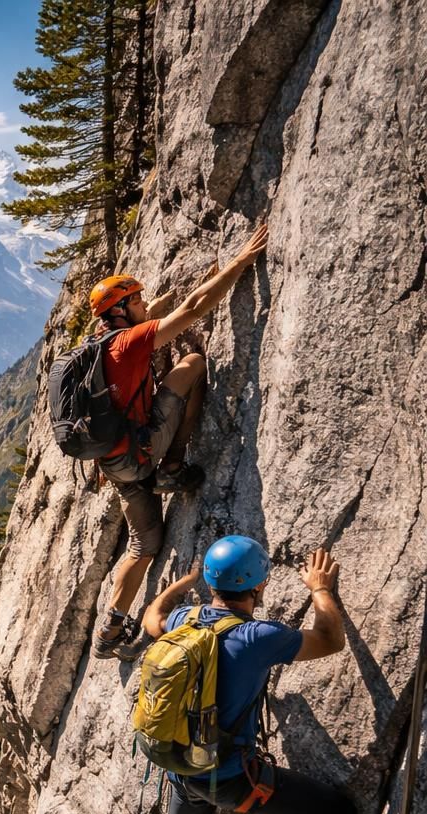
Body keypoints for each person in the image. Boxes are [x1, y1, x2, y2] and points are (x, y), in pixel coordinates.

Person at [117, 537, 356, 814]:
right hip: (232, 780)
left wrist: (182, 584)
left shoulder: (184, 619)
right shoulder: (258, 637)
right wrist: (319, 589)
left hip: (183, 767)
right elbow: (330, 639)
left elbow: (152, 618)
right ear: (258, 585)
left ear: (212, 583)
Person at [91, 223, 269, 660]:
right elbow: (192, 309)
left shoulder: (98, 344)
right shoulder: (129, 343)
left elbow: (155, 312)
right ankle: (171, 465)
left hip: (114, 463)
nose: (144, 304)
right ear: (122, 309)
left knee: (143, 546)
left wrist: (167, 298)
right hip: (143, 452)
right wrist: (238, 263)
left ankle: (109, 631)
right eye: (136, 300)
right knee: (191, 364)